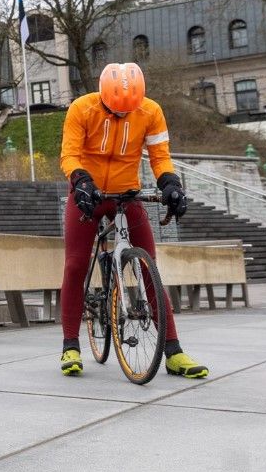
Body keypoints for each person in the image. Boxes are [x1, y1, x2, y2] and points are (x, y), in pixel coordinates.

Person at [58, 62, 208, 379]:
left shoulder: (151, 111)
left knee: (148, 265)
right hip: (89, 193)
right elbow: (69, 154)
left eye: (129, 111)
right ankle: (70, 345)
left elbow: (160, 156)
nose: (123, 116)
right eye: (116, 111)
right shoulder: (80, 108)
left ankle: (173, 352)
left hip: (127, 194)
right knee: (74, 264)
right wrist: (80, 180)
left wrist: (170, 183)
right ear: (103, 95)